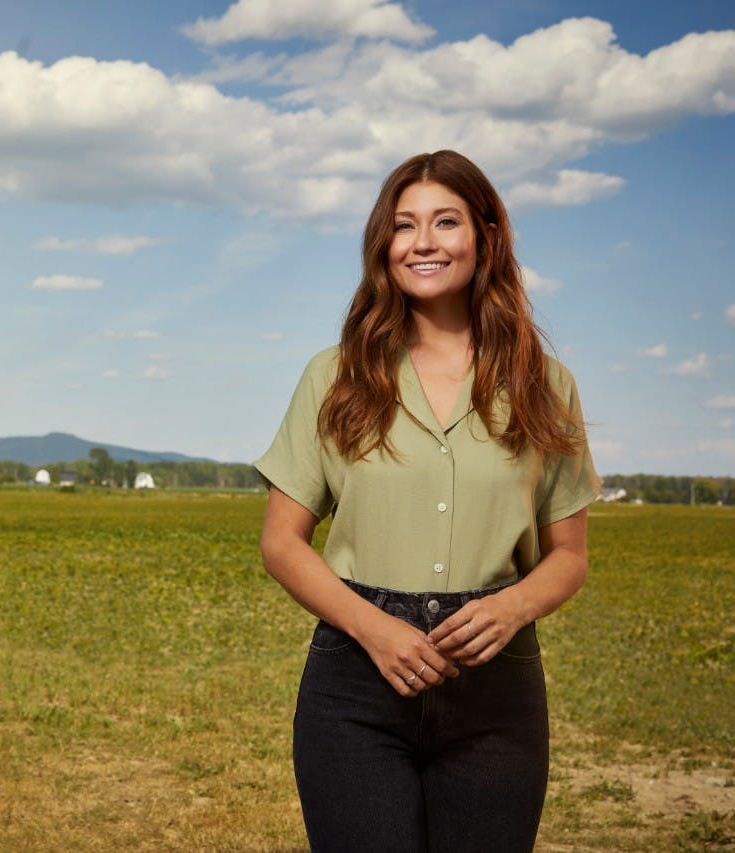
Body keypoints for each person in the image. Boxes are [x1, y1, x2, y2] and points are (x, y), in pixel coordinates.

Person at [255, 149, 600, 852]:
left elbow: (569, 557)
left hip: (496, 695)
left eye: (446, 222)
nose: (424, 242)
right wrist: (375, 629)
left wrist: (512, 605)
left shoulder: (545, 384)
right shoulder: (336, 376)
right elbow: (282, 542)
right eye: (404, 224)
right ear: (384, 244)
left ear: (486, 237)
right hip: (356, 690)